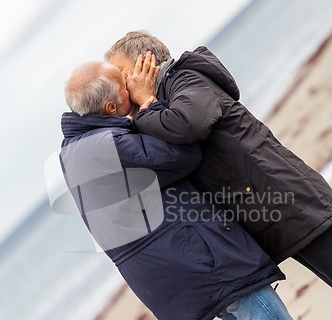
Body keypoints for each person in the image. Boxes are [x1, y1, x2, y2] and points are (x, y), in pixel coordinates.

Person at [60, 60, 332, 320]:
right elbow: (183, 155)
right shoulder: (115, 143)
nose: (131, 87)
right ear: (111, 108)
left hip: (181, 276)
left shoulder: (71, 153)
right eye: (125, 87)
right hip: (208, 263)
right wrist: (151, 103)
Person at [105, 31, 332, 288]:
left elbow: (189, 124)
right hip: (272, 211)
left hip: (290, 200)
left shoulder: (184, 78)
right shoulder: (163, 102)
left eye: (123, 74)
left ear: (146, 64)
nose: (121, 85)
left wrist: (146, 102)